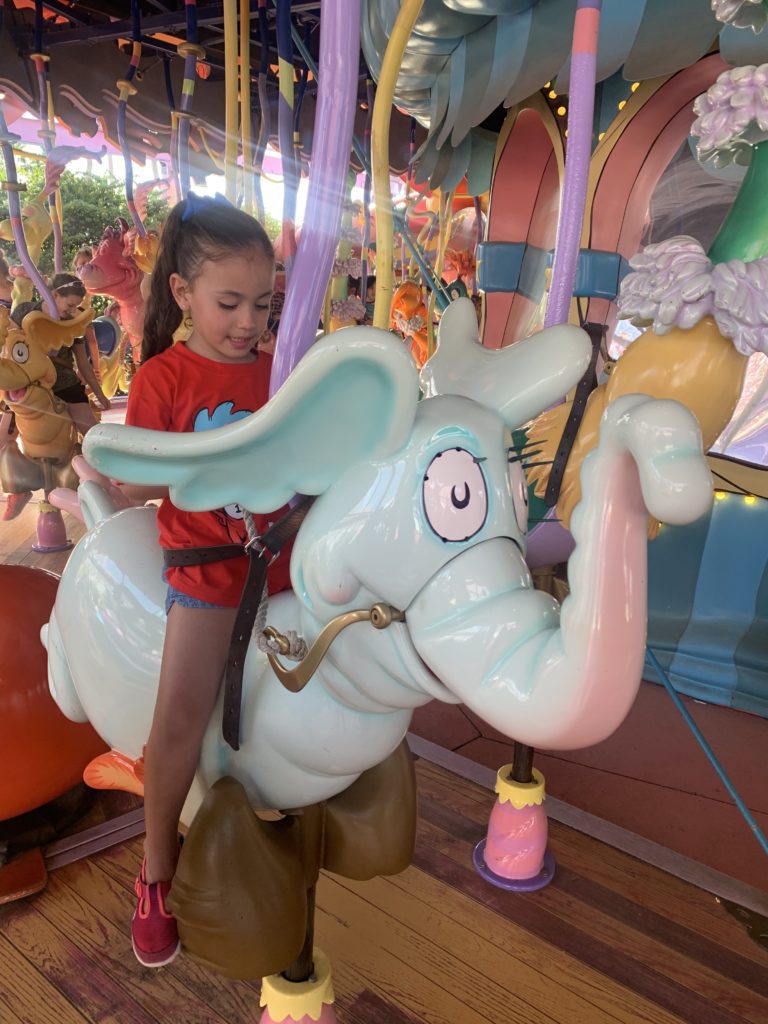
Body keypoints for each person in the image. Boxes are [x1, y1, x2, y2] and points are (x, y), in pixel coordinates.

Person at [119, 193, 293, 969]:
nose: (249, 321)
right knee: (182, 716)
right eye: (230, 303)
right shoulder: (164, 378)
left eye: (263, 303)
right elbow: (133, 483)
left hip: (286, 567)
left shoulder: (280, 370)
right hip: (208, 571)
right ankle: (157, 868)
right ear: (184, 295)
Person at [12, 273, 111, 437]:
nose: (72, 310)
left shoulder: (73, 324)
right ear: (55, 295)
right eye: (70, 304)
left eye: (76, 306)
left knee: (91, 432)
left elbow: (82, 363)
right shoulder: (25, 311)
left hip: (62, 381)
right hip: (29, 381)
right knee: (7, 426)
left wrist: (99, 393)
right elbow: (11, 343)